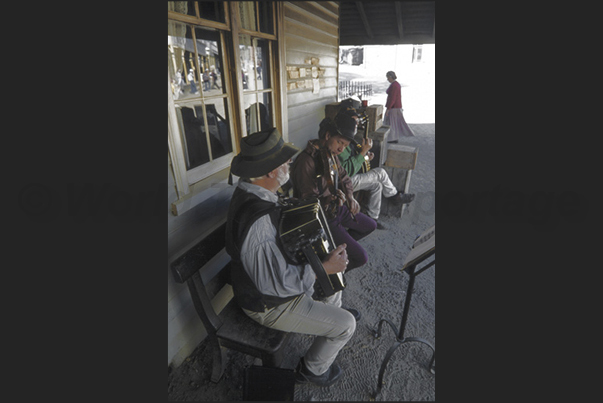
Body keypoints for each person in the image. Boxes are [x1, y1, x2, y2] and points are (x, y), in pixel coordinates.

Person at [225, 128, 357, 387]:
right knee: (346, 324)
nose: (289, 163)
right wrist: (322, 267)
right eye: (284, 161)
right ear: (270, 172)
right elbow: (274, 286)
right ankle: (312, 370)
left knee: (334, 289)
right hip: (268, 304)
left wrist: (323, 264)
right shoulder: (258, 222)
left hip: (273, 286)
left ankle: (324, 324)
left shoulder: (255, 193)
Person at [290, 113, 377, 273]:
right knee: (361, 257)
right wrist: (332, 197)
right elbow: (308, 202)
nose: (341, 149)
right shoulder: (306, 161)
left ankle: (334, 250)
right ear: (327, 135)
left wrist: (350, 197)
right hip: (322, 218)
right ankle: (328, 276)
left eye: (345, 145)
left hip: (336, 209)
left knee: (370, 225)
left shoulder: (330, 153)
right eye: (339, 142)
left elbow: (344, 177)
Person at [335, 108, 415, 229]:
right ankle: (395, 196)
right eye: (354, 123)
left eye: (357, 123)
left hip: (352, 177)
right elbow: (346, 171)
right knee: (380, 173)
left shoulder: (349, 138)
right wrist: (363, 151)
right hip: (345, 182)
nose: (356, 126)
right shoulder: (340, 141)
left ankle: (372, 218)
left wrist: (366, 158)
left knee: (377, 185)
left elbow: (354, 160)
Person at [384, 70, 414, 142]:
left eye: (388, 77)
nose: (387, 79)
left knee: (392, 123)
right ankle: (394, 137)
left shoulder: (394, 85)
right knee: (394, 122)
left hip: (394, 107)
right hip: (396, 106)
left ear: (391, 77)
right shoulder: (396, 84)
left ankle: (393, 138)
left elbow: (393, 98)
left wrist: (388, 108)